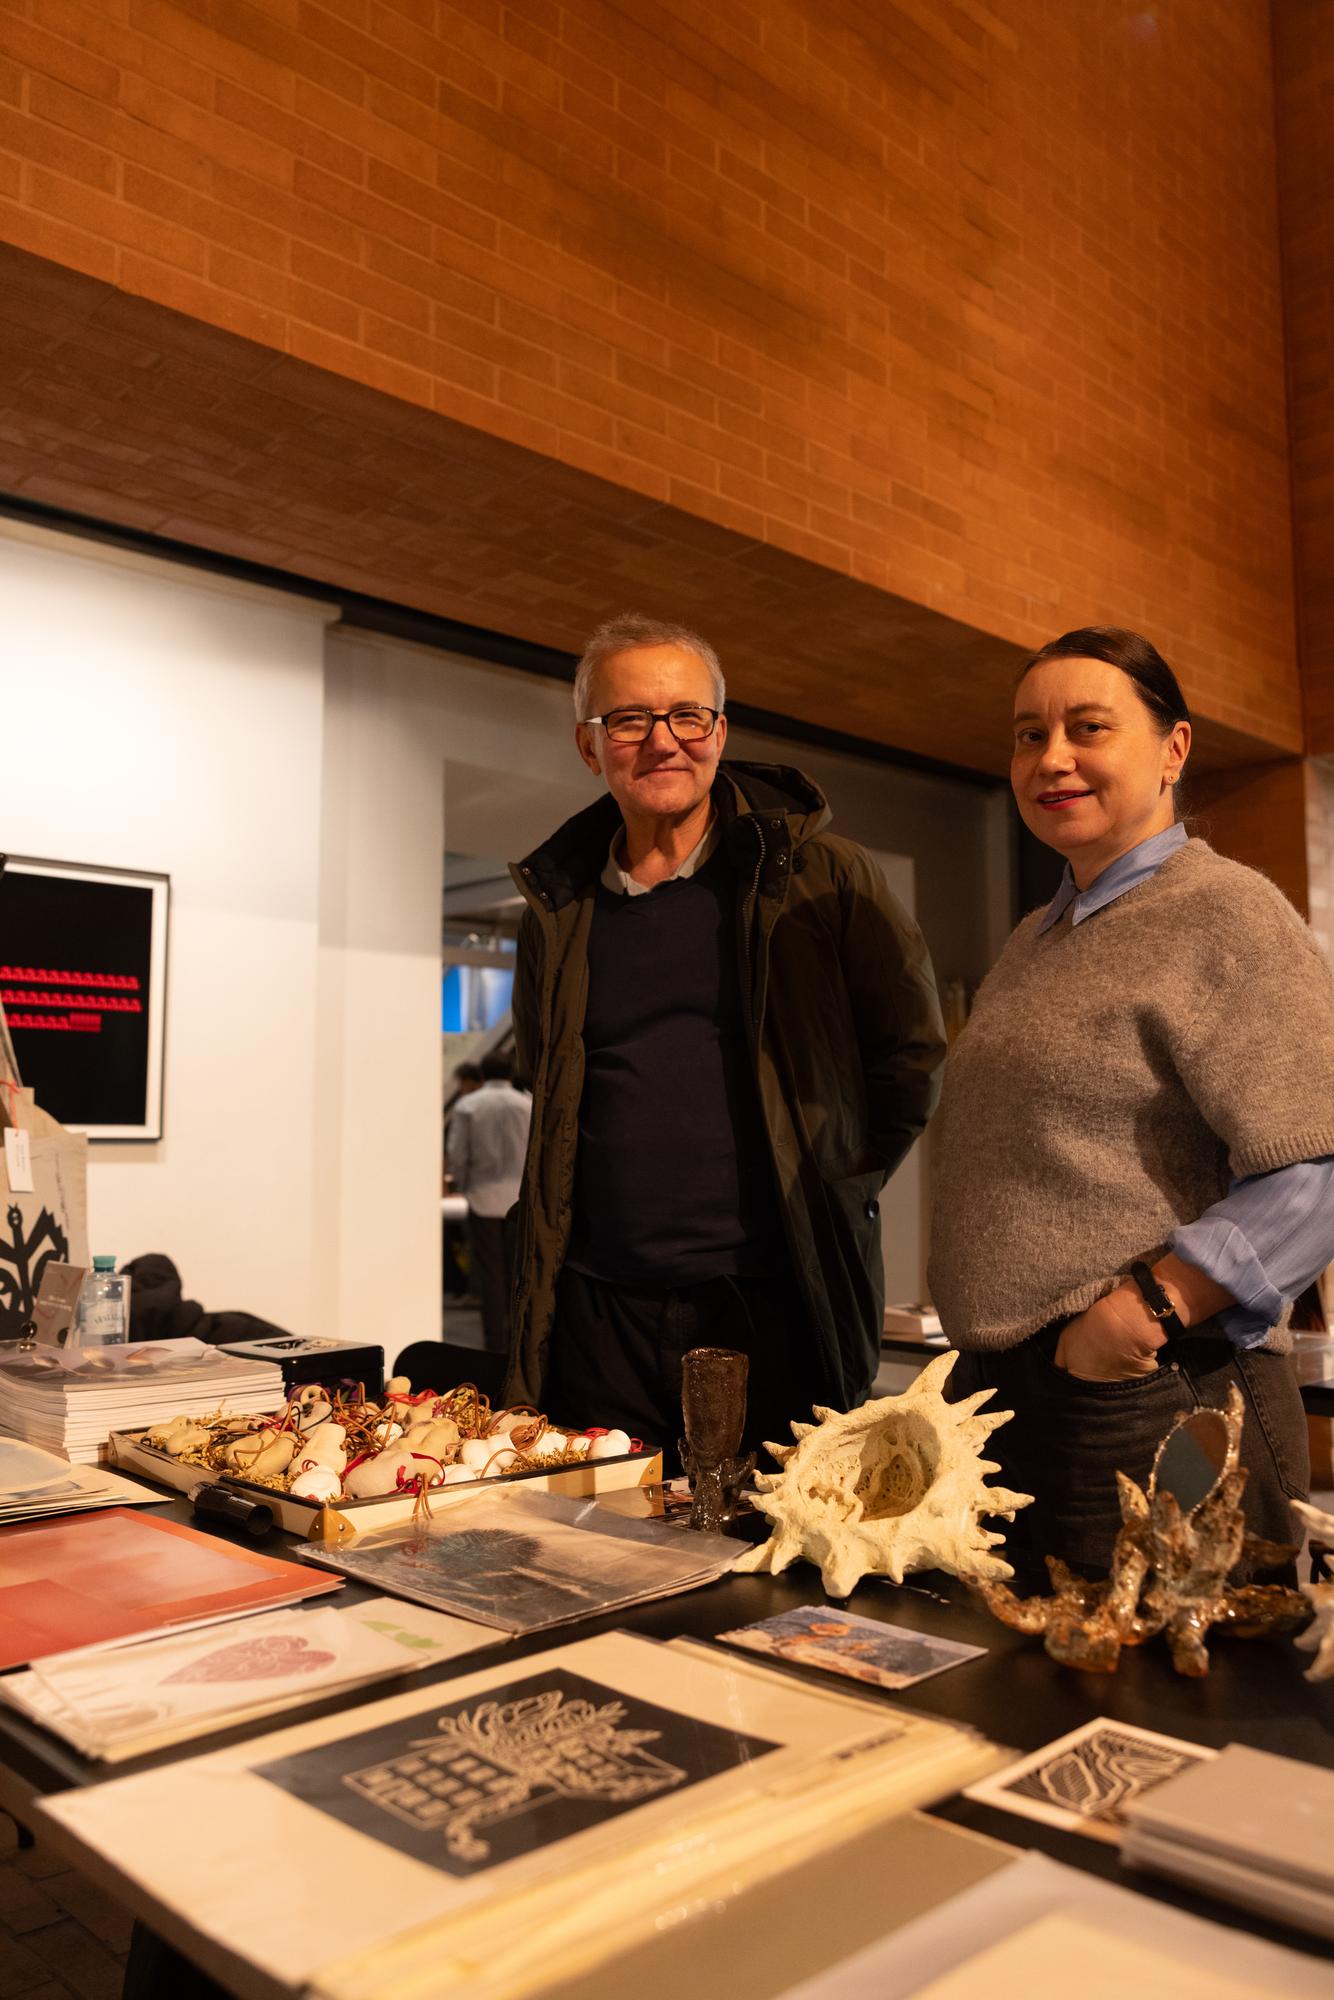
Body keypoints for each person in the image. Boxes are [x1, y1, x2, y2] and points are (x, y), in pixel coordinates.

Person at [929, 626, 1334, 1578]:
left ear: (1173, 749)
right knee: (1033, 1668)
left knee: (1179, 1659)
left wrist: (1145, 1311)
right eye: (1029, 735)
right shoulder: (1036, 936)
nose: (1052, 758)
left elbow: (1315, 1167)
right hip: (1013, 1399)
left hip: (1157, 1393)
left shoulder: (1224, 911)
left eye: (1088, 727)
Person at [504, 613, 945, 1461]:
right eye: (629, 720)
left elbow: (912, 1057)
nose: (662, 741)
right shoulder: (559, 910)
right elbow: (547, 1077)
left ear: (721, 731)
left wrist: (834, 1180)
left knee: (771, 1525)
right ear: (589, 746)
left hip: (769, 1299)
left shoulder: (820, 878)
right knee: (605, 1526)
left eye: (686, 715)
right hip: (600, 1310)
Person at [445, 1049, 531, 1354]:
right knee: (519, 1275)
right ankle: (519, 1343)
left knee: (491, 1277)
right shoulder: (528, 1104)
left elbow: (457, 1153)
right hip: (520, 1199)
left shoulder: (469, 1104)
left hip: (482, 1197)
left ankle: (494, 1346)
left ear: (482, 1073)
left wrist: (463, 1184)